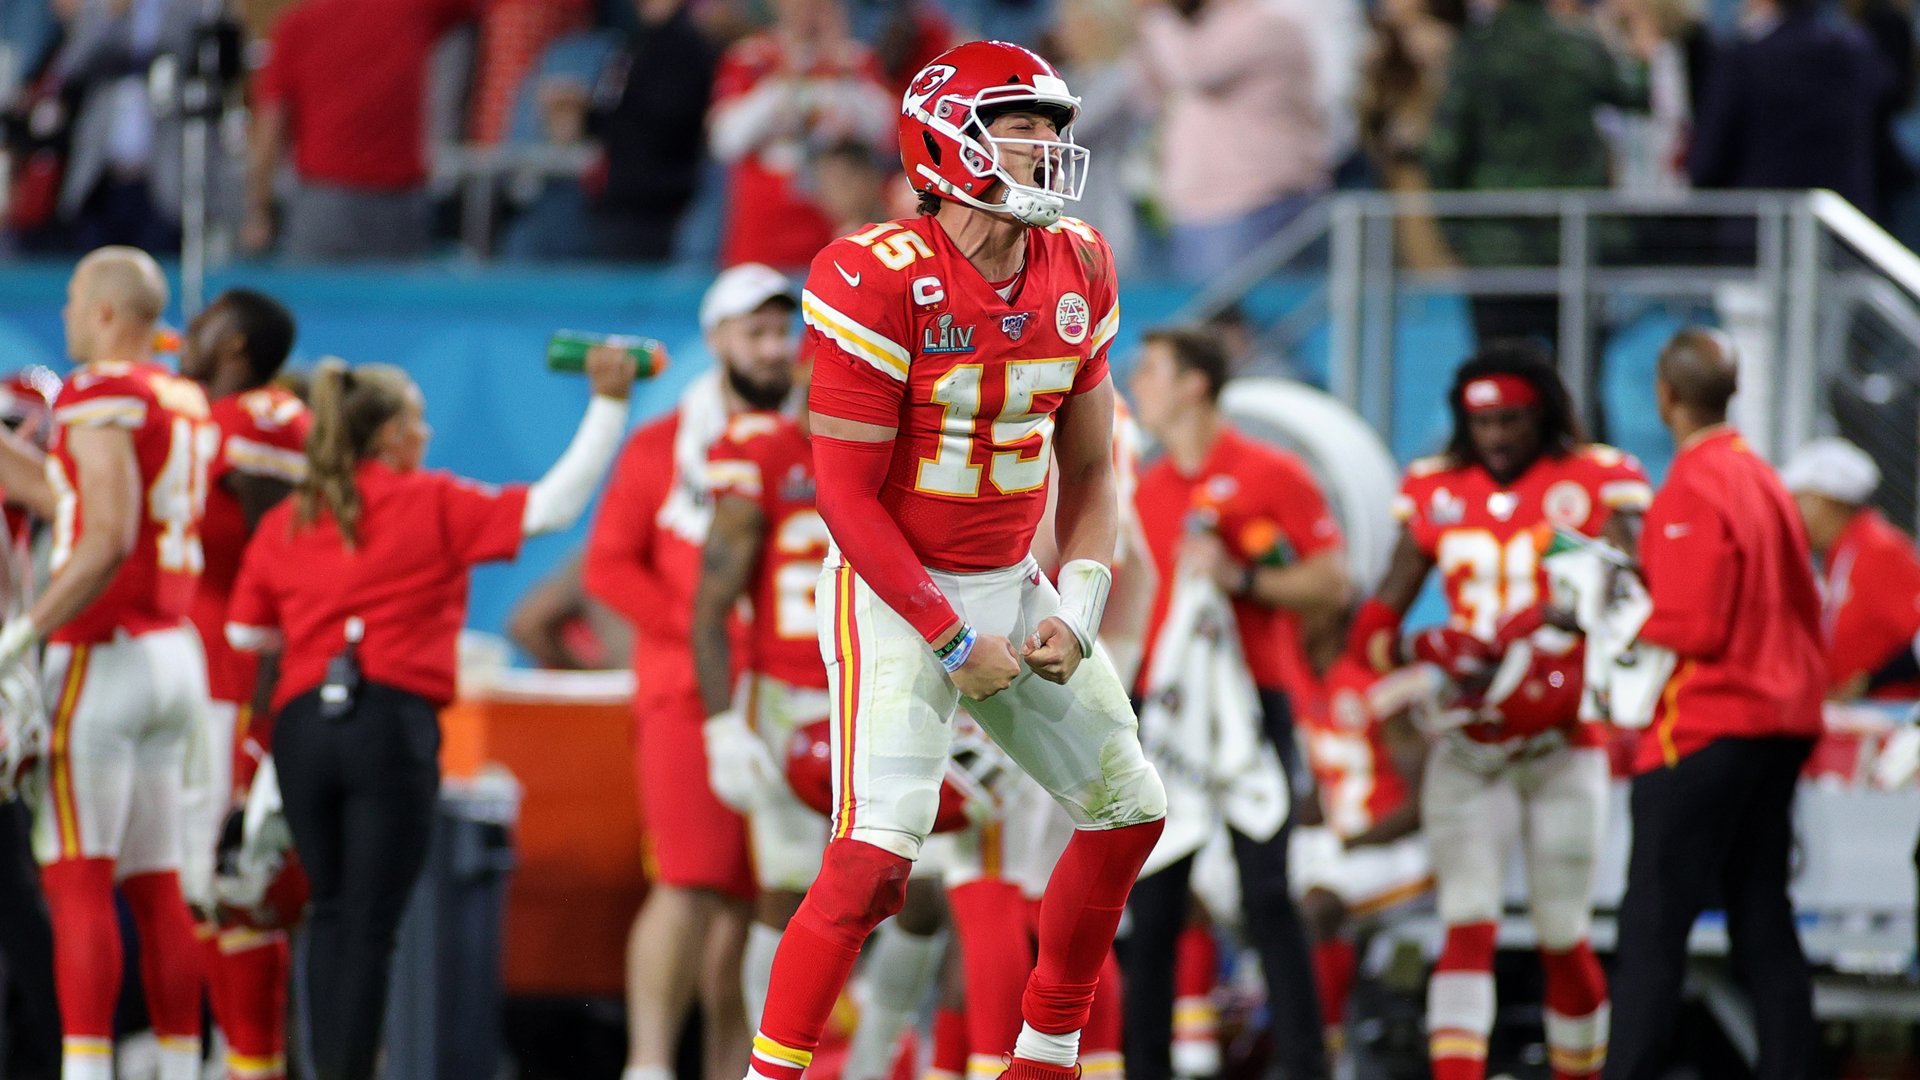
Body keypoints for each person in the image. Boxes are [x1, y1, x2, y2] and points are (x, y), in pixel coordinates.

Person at [746, 38, 1166, 1080]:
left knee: (1129, 816)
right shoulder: (873, 274)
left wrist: (1077, 601)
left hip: (1011, 584)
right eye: (1020, 126)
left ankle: (1045, 1053)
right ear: (948, 142)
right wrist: (948, 633)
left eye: (1051, 129)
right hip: (900, 597)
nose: (1045, 148)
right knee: (875, 859)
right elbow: (843, 495)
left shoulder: (1081, 261)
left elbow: (1094, 468)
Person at [225, 348, 639, 1080]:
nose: (426, 433)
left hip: (301, 730)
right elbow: (555, 506)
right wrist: (608, 403)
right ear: (386, 436)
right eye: (415, 420)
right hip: (390, 725)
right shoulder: (431, 500)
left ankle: (326, 1069)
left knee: (330, 912)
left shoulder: (291, 517)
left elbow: (246, 636)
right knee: (373, 926)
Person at [1350, 342, 1650, 1080]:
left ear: (1542, 414)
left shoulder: (1595, 479)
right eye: (1483, 423)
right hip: (1470, 739)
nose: (1497, 437)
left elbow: (1636, 598)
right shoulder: (1435, 488)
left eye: (1513, 419)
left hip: (1561, 737)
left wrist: (1560, 614)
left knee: (1562, 929)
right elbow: (1373, 631)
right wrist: (1424, 644)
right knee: (1468, 920)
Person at [584, 264, 801, 1080]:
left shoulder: (814, 442)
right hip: (689, 695)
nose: (774, 351)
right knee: (690, 882)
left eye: (782, 334)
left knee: (761, 903)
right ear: (716, 343)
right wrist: (706, 629)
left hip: (787, 692)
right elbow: (608, 567)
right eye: (756, 334)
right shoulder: (662, 448)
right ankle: (647, 1063)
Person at [0, 247, 211, 1080]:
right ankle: (181, 1063)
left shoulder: (100, 393)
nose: (64, 315)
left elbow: (105, 534)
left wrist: (21, 638)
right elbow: (69, 490)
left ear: (107, 314)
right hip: (175, 651)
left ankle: (84, 1072)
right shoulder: (180, 396)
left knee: (79, 880)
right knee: (158, 884)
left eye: (75, 299)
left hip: (103, 651)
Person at [1126, 326, 1351, 1080]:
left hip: (1256, 701)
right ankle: (1145, 1068)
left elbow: (1331, 582)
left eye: (1152, 369)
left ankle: (1303, 1066)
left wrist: (1246, 580)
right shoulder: (1143, 490)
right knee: (1153, 905)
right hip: (1160, 707)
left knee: (1266, 893)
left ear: (1196, 383)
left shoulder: (1271, 473)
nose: (1137, 381)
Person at [1602, 328, 1825, 1080]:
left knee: (1652, 929)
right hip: (1783, 721)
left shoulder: (1691, 487)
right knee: (1763, 916)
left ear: (1664, 398)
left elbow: (1695, 624)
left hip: (1707, 724)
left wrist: (1614, 612)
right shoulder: (1764, 480)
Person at [176, 287, 309, 1080]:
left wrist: (265, 707)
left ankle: (254, 1066)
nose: (185, 338)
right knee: (196, 883)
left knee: (235, 881)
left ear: (236, 345)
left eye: (203, 326)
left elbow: (278, 565)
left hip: (239, 682)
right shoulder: (201, 417)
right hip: (197, 677)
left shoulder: (260, 418)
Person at [1289, 607, 1432, 1068]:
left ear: (1328, 619)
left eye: (1300, 610)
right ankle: (1205, 1050)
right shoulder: (1307, 681)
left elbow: (1420, 803)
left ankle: (1320, 1058)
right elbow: (1328, 789)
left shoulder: (1376, 683)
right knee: (1239, 892)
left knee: (1318, 906)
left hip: (1401, 850)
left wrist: (1349, 843)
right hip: (1342, 850)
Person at [246, 0, 482, 259]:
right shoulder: (410, 9)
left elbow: (270, 126)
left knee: (314, 297)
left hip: (340, 206)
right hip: (381, 206)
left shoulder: (298, 23)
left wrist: (258, 210)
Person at [1135, 0, 1328, 281]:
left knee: (1247, 322)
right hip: (1201, 210)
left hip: (1256, 206)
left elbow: (1192, 70)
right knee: (1201, 321)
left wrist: (1157, 13)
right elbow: (1147, 98)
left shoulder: (1267, 23)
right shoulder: (1193, 31)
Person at [707, 0, 893, 269]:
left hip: (837, 219)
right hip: (764, 226)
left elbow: (887, 130)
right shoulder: (750, 58)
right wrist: (781, 82)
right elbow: (726, 140)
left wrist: (836, 69)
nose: (807, 8)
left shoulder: (855, 59)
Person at [1780, 436, 1920, 700]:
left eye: (1798, 500)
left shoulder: (1879, 550)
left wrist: (1868, 682)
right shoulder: (1845, 552)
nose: (1791, 514)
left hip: (1889, 713)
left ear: (1823, 501)